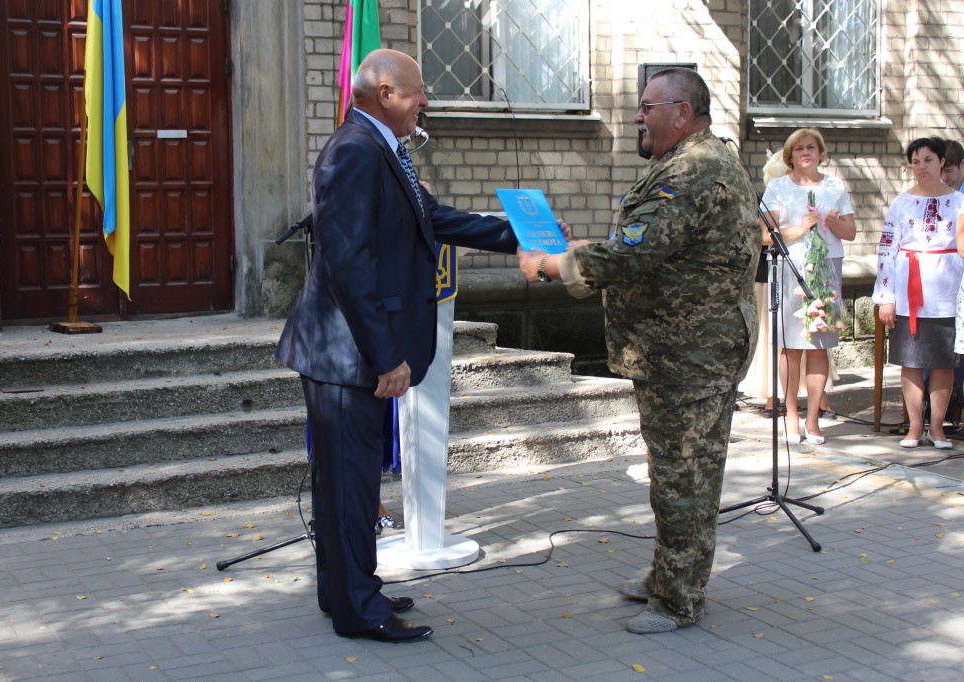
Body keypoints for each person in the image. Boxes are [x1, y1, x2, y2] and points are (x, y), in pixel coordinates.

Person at [276, 48, 521, 643]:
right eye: (417, 91)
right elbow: (348, 264)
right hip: (346, 354)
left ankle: (346, 591)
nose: (425, 101)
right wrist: (385, 355)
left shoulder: (382, 146)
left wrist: (517, 235)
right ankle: (359, 612)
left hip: (353, 348)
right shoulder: (355, 152)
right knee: (349, 485)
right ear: (385, 93)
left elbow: (433, 219)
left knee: (350, 484)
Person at [517, 68, 758, 634]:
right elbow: (647, 244)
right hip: (683, 350)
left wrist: (551, 265)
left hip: (690, 355)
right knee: (679, 473)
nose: (637, 117)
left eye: (648, 107)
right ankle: (670, 577)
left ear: (683, 113)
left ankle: (678, 601)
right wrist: (580, 249)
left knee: (683, 478)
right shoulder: (690, 163)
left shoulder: (693, 170)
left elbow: (632, 255)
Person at [760, 129, 856, 445]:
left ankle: (813, 418)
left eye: (811, 147)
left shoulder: (834, 186)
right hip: (792, 267)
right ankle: (791, 413)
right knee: (790, 347)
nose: (805, 153)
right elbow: (765, 236)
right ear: (790, 155)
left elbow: (851, 232)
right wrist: (800, 229)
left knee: (819, 346)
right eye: (799, 148)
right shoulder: (778, 187)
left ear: (820, 152)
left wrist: (833, 222)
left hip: (826, 269)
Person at [876, 137, 964, 449]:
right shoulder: (901, 203)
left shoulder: (958, 201)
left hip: (946, 290)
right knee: (911, 361)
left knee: (942, 361)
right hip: (908, 290)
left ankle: (937, 427)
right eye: (915, 161)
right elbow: (886, 250)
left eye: (928, 160)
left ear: (942, 162)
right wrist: (886, 298)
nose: (921, 167)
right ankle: (915, 427)